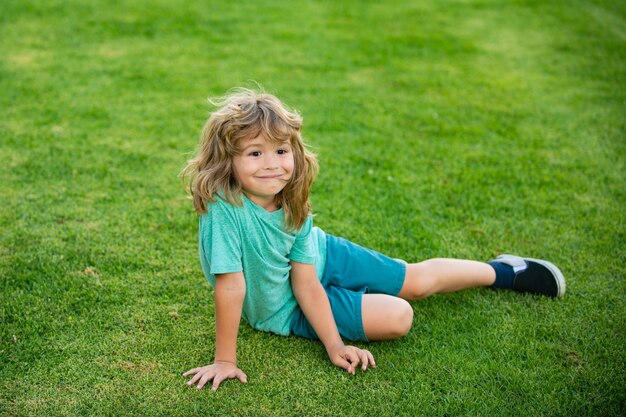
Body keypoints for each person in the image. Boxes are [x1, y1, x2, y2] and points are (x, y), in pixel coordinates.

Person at [180, 88, 566, 391]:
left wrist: (333, 344)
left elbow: (306, 279)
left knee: (415, 282)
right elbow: (231, 286)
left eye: (281, 150)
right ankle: (488, 273)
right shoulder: (224, 207)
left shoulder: (292, 199)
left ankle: (501, 270)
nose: (271, 164)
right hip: (285, 309)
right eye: (254, 153)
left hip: (323, 257)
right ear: (227, 159)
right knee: (399, 317)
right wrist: (225, 361)